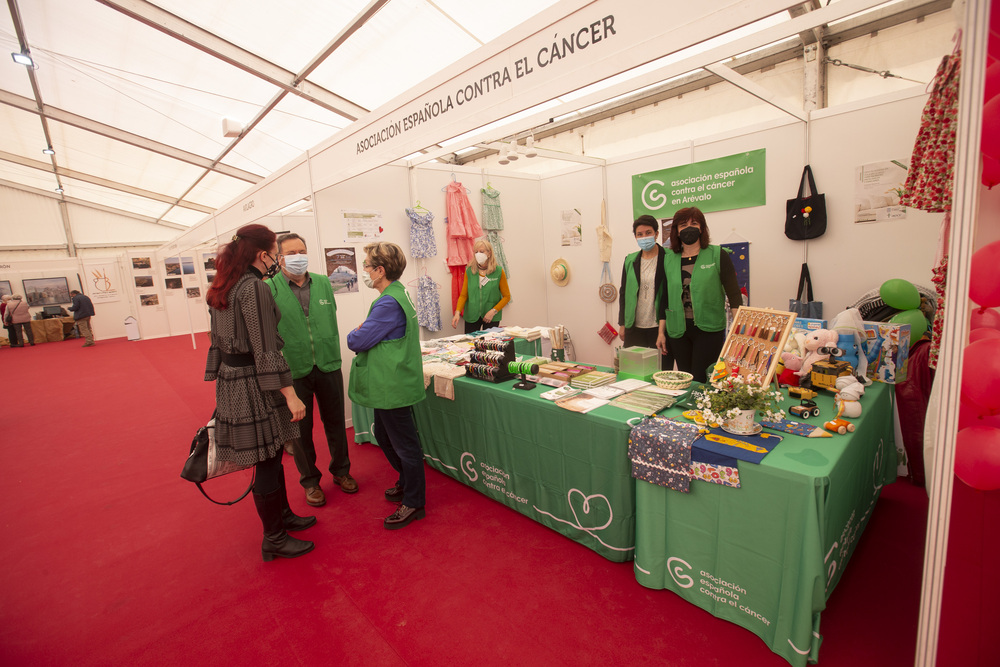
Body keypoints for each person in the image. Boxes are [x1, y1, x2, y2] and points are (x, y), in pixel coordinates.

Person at [204, 223, 315, 561]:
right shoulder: (254, 288)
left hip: (233, 379)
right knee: (267, 461)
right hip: (255, 383)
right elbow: (265, 347)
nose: (277, 260)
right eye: (276, 254)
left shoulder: (224, 284)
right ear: (261, 253)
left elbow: (217, 342)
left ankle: (282, 518)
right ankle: (275, 538)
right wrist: (290, 393)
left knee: (271, 457)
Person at [266, 232, 355, 508]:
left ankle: (341, 471)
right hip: (294, 369)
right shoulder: (269, 288)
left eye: (301, 251)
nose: (298, 257)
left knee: (336, 423)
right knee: (301, 431)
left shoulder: (324, 284)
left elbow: (329, 316)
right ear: (279, 258)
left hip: (327, 362)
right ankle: (310, 481)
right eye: (291, 253)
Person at [348, 242, 427, 530]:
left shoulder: (386, 303)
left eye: (368, 266)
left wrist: (356, 332)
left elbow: (358, 341)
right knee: (384, 433)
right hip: (393, 381)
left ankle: (415, 501)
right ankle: (407, 482)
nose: (365, 270)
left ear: (380, 271)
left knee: (405, 445)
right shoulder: (399, 292)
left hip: (391, 384)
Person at [660, 207, 743, 383]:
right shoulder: (668, 259)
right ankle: (689, 411)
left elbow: (734, 294)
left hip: (708, 328)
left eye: (694, 223)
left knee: (702, 379)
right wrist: (661, 332)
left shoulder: (717, 254)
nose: (688, 228)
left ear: (702, 228)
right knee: (685, 378)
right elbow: (664, 298)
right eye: (683, 224)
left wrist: (739, 330)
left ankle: (703, 410)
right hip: (677, 330)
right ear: (676, 230)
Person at [618, 214, 672, 369]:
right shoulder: (630, 260)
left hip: (659, 327)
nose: (644, 237)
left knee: (660, 371)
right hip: (634, 327)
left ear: (656, 233)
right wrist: (622, 324)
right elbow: (624, 293)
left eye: (648, 233)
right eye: (639, 234)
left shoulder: (669, 257)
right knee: (633, 371)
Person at [450, 239, 511, 333]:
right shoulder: (470, 271)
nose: (478, 254)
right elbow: (463, 295)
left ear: (489, 253)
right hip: (472, 316)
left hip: (491, 317)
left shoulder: (498, 271)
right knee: (471, 345)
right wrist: (457, 313)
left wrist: (493, 311)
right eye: (476, 252)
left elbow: (507, 297)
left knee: (490, 345)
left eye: (481, 251)